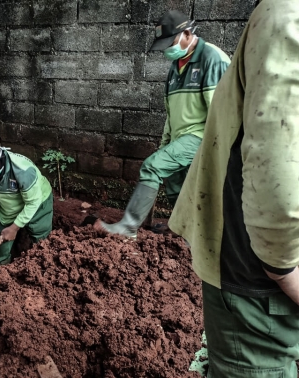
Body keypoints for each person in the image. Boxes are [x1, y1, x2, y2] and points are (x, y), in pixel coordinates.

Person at [169, 1, 299, 376]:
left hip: (202, 146)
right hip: (263, 262)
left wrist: (283, 267)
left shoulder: (212, 58)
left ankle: (134, 224)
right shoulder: (174, 71)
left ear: (188, 33)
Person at [96, 10, 230, 238]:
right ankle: (181, 230)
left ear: (187, 34)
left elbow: (221, 113)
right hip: (181, 136)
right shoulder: (176, 66)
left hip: (203, 137)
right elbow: (171, 112)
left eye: (170, 42)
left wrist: (216, 152)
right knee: (177, 186)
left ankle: (127, 227)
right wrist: (166, 143)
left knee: (152, 166)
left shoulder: (212, 58)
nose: (168, 49)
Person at [0, 137, 53, 267]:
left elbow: (32, 203)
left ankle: (41, 267)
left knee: (41, 237)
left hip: (38, 202)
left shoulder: (23, 171)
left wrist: (14, 228)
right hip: (9, 205)